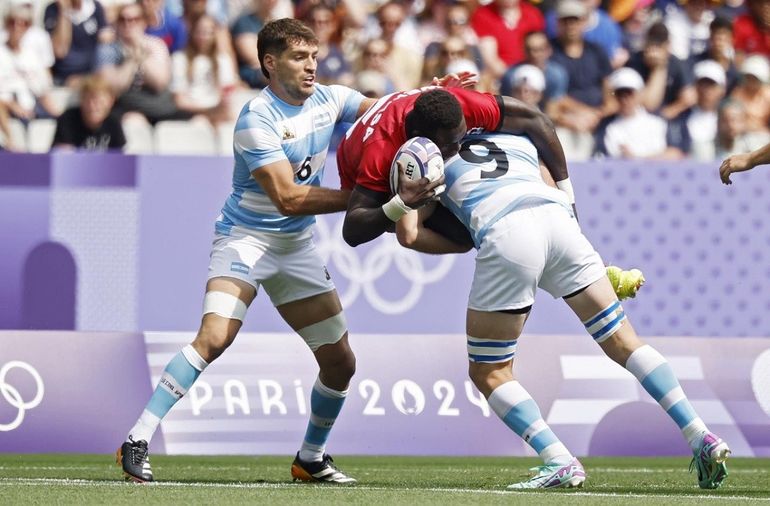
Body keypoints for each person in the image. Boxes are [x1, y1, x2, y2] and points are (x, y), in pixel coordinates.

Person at [395, 130, 731, 490]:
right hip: (560, 223)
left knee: (489, 371)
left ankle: (558, 459)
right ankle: (700, 434)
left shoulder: (435, 161)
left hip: (508, 234)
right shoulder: (518, 139)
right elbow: (553, 185)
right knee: (625, 341)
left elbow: (410, 235)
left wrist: (405, 200)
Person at [117, 17, 376, 485]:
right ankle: (137, 438)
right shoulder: (256, 119)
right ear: (269, 63)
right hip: (246, 239)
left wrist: (433, 100)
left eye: (315, 55)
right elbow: (289, 198)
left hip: (295, 247)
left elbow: (383, 112)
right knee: (214, 337)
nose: (312, 66)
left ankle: (310, 459)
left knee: (341, 363)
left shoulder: (331, 98)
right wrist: (360, 197)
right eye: (300, 57)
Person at [337, 87, 572, 248]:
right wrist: (401, 203)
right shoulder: (379, 153)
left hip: (407, 124)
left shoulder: (461, 103)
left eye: (462, 137)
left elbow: (537, 121)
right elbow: (352, 233)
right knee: (461, 234)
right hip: (356, 167)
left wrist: (568, 197)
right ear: (419, 135)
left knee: (469, 228)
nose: (459, 149)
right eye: (451, 144)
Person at [51, 74, 125, 151]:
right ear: (82, 99)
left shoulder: (113, 123)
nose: (93, 106)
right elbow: (62, 155)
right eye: (88, 101)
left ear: (110, 101)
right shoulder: (67, 120)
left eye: (100, 102)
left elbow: (119, 156)